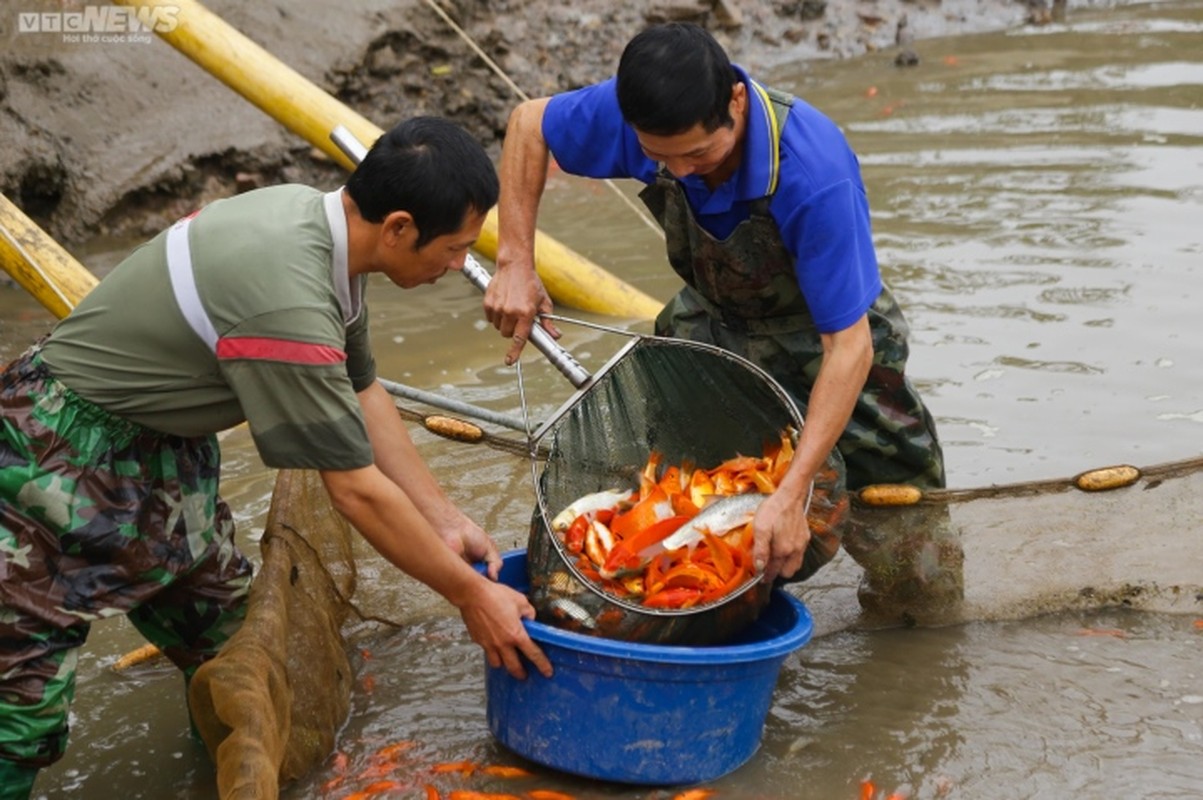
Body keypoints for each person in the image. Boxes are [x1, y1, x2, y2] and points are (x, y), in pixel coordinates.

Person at [0, 116, 552, 799]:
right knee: (19, 712)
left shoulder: (323, 234)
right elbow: (352, 489)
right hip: (48, 456)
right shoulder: (285, 297)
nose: (452, 269)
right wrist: (472, 597)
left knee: (235, 649)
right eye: (452, 250)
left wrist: (439, 515)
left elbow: (362, 389)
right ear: (400, 228)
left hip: (161, 455)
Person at [484, 23, 946, 587]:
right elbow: (529, 124)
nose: (680, 170)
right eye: (661, 157)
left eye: (700, 153)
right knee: (676, 500)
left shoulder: (811, 172)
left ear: (736, 99)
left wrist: (794, 489)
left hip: (827, 340)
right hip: (712, 321)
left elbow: (849, 346)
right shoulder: (643, 112)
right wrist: (514, 262)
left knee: (913, 549)